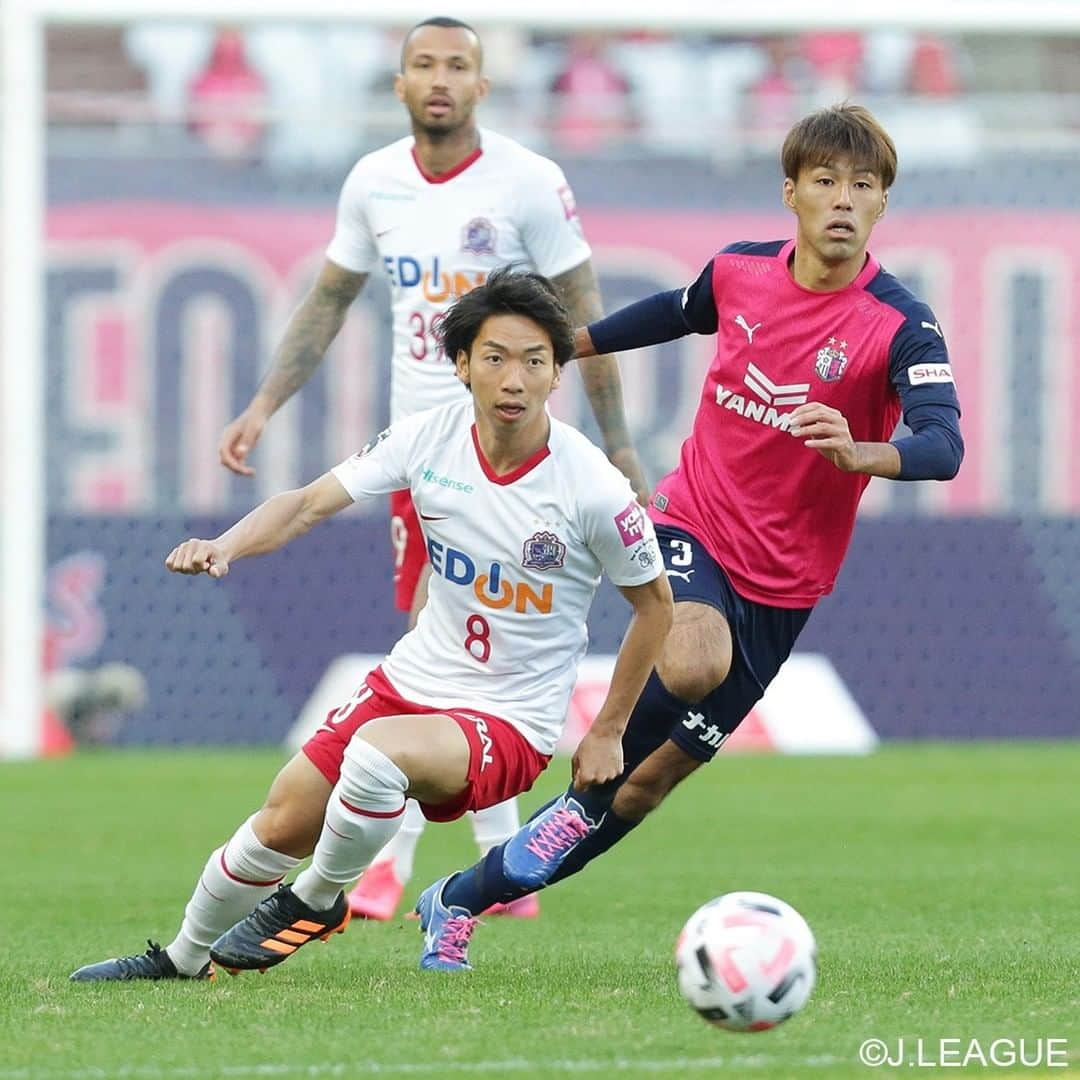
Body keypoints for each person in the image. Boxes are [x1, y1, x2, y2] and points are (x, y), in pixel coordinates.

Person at [414, 103, 965, 969]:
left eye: (863, 186)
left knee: (649, 783)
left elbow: (944, 443)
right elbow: (674, 312)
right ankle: (584, 771)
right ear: (792, 192)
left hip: (786, 589)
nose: (843, 200)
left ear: (883, 204)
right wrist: (564, 344)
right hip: (690, 522)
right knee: (692, 658)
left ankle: (460, 898)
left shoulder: (900, 323)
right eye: (825, 182)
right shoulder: (741, 272)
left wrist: (865, 451)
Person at [69, 269, 672, 982]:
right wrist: (224, 545)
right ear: (461, 365)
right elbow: (304, 504)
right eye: (496, 358)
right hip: (412, 681)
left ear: (556, 374)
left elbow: (655, 606)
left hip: (508, 719)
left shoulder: (591, 485)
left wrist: (606, 729)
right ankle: (181, 959)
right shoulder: (428, 438)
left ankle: (320, 899)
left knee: (376, 755)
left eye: (535, 361)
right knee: (281, 820)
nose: (515, 379)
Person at [217, 16, 646, 923]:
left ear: (483, 86)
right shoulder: (374, 180)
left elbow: (584, 317)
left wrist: (619, 441)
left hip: (508, 456)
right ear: (401, 82)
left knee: (453, 641)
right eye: (424, 64)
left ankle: (404, 865)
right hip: (418, 451)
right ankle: (495, 864)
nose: (441, 78)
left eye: (459, 64)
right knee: (445, 645)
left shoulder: (530, 182)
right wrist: (264, 404)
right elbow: (331, 299)